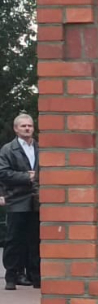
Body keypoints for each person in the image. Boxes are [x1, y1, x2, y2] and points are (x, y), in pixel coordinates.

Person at [0, 113, 39, 289]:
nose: (27, 128)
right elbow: (3, 172)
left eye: (29, 126)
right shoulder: (8, 149)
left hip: (37, 199)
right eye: (23, 126)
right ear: (16, 129)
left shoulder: (40, 147)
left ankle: (33, 274)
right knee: (14, 239)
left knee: (34, 238)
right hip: (17, 198)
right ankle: (12, 275)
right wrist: (26, 176)